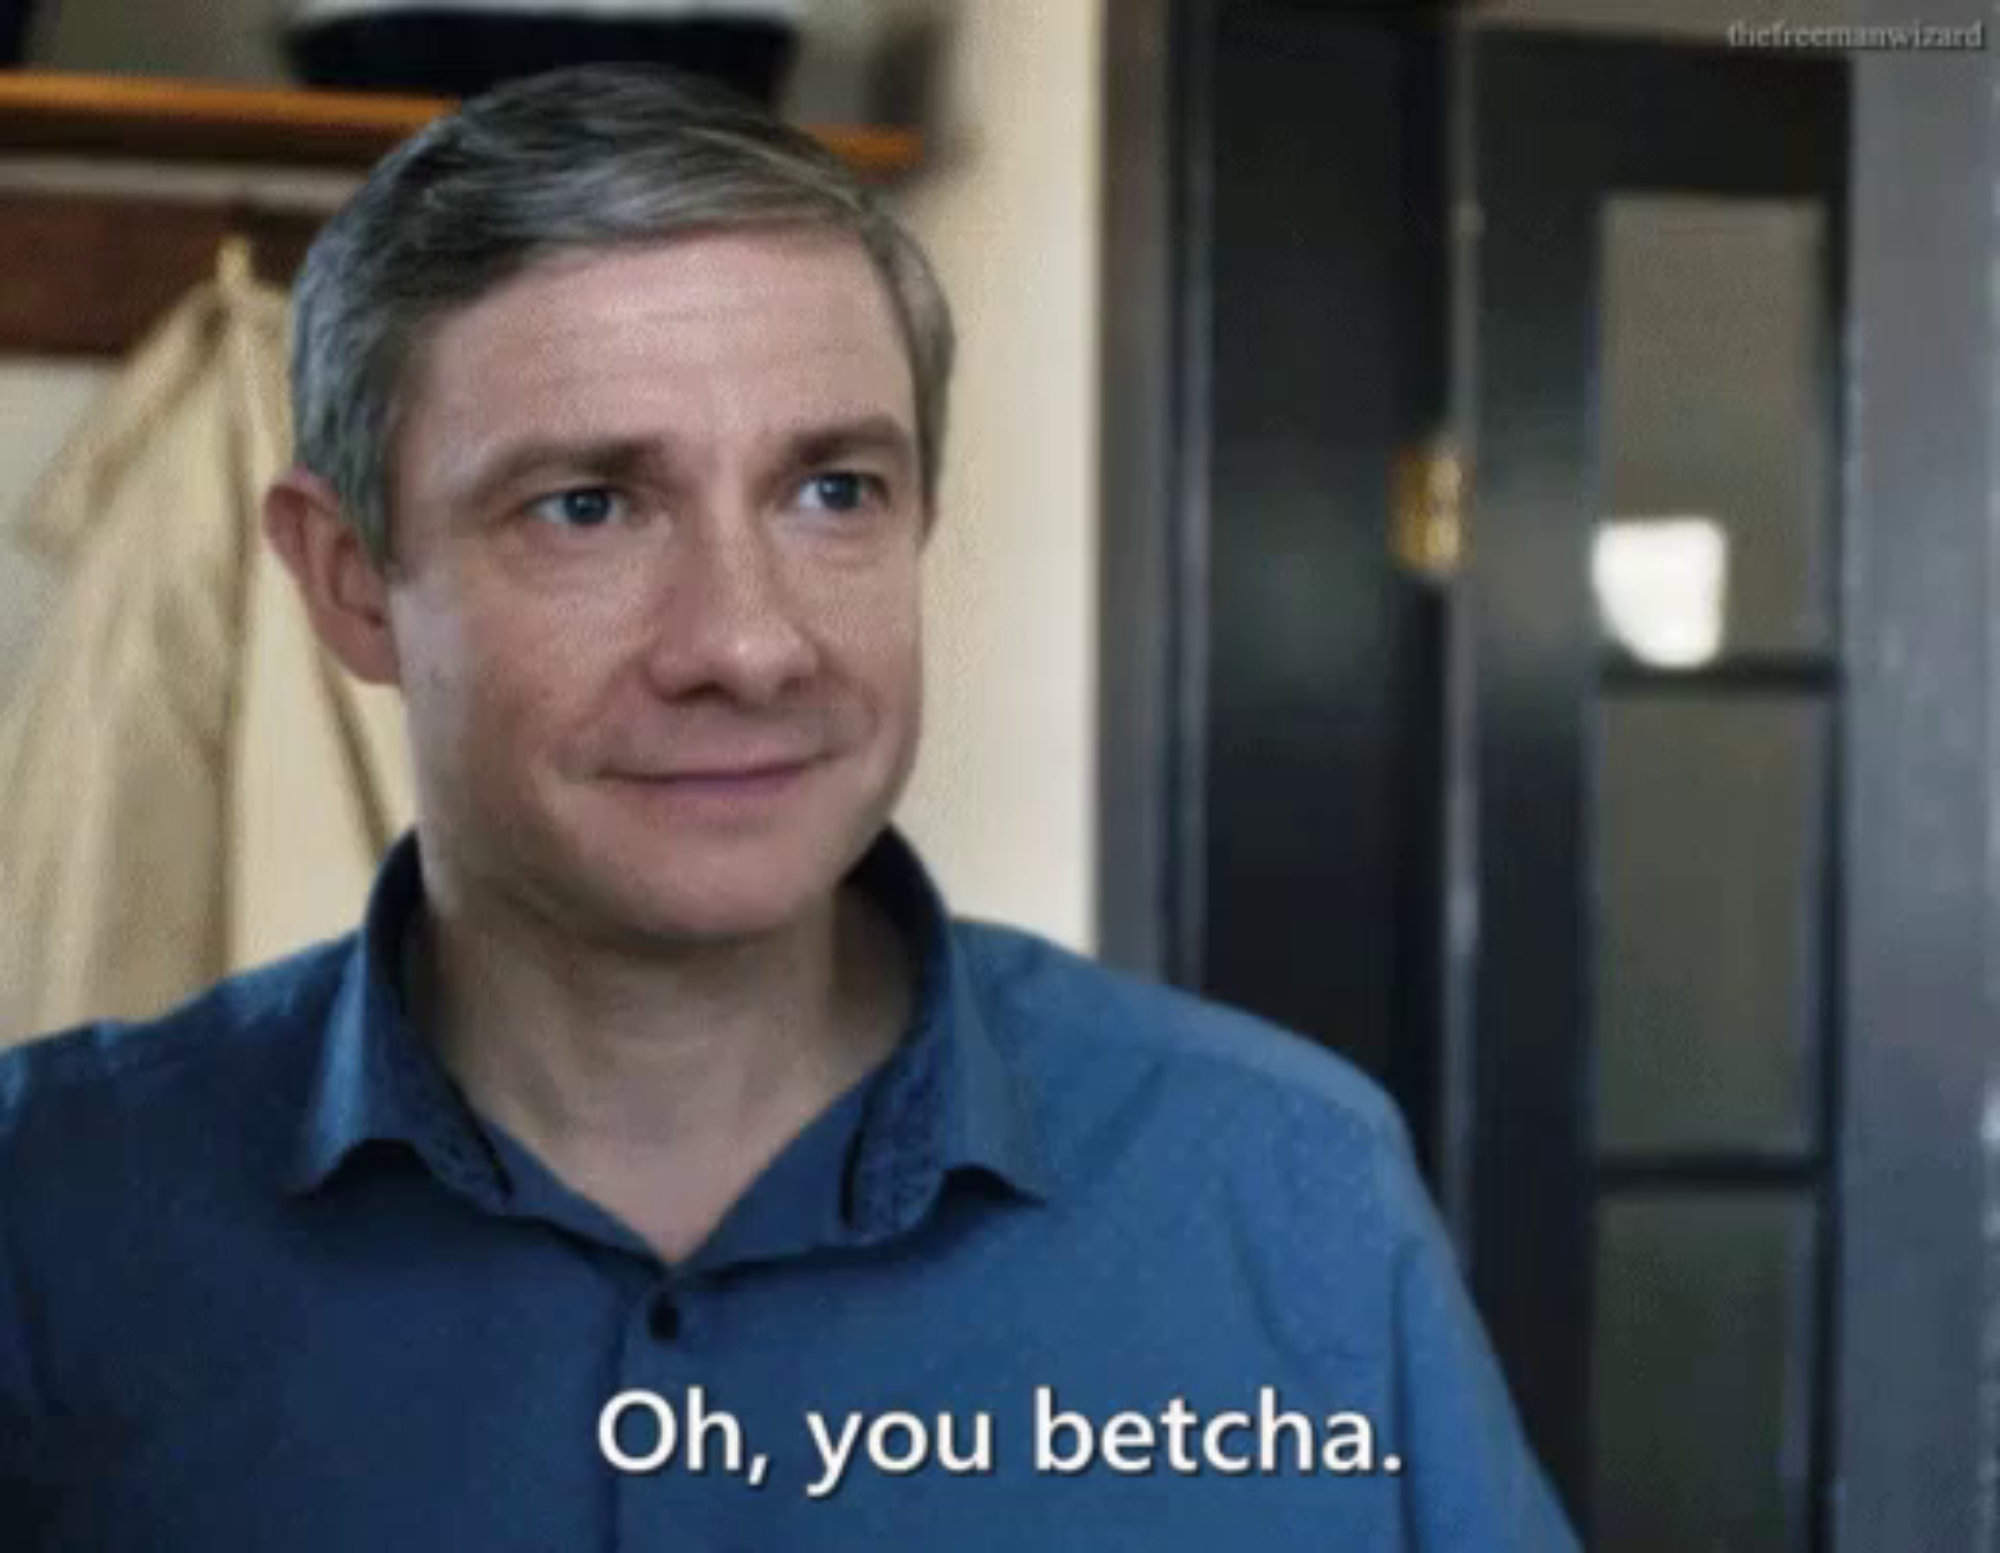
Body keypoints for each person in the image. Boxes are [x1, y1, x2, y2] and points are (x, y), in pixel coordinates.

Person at [0, 65, 1576, 1550]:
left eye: (833, 491)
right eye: (588, 506)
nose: (747, 644)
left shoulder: (1285, 1188)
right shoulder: (51, 1218)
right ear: (351, 580)